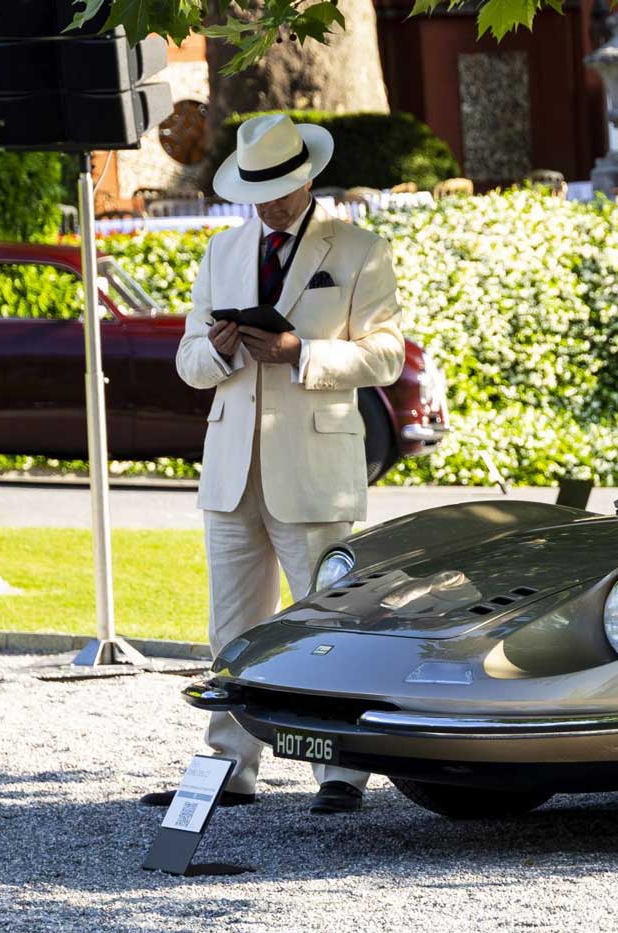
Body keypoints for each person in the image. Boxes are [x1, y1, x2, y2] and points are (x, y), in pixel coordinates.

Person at [140, 114, 404, 815]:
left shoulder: (360, 249)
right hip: (231, 469)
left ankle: (339, 772)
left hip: (314, 469)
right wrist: (220, 349)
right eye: (255, 193)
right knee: (229, 630)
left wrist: (301, 355)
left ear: (307, 179)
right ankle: (231, 768)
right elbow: (189, 361)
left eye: (279, 191)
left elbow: (387, 356)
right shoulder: (222, 251)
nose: (268, 205)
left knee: (328, 628)